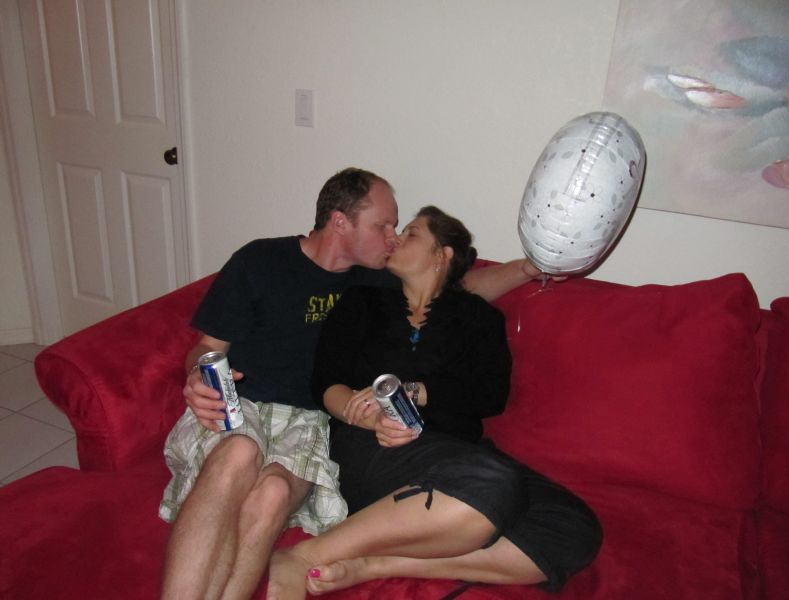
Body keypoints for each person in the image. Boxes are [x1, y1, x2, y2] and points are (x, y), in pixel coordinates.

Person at [158, 168, 548, 600]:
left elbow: (454, 288)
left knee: (273, 493)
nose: (392, 238)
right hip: (241, 404)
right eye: (384, 225)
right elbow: (206, 347)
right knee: (240, 452)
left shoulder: (374, 279)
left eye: (398, 228)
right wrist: (198, 375)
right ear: (341, 222)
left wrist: (526, 269)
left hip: (309, 423)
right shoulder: (260, 260)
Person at [267, 206, 602, 599]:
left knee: (572, 526)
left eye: (410, 233)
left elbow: (489, 394)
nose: (395, 239)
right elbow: (326, 382)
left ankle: (376, 564)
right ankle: (304, 557)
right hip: (370, 445)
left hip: (457, 452)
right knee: (490, 485)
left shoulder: (480, 318)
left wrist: (414, 391)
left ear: (442, 255)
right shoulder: (362, 301)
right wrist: (367, 418)